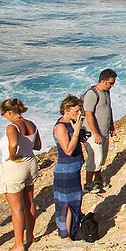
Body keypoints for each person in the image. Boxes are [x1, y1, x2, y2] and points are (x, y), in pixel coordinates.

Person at [0, 98, 41, 251]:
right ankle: (30, 235)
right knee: (29, 201)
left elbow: (13, 143)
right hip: (31, 163)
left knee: (16, 208)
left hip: (16, 167)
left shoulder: (12, 126)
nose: (4, 117)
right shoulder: (31, 124)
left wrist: (13, 155)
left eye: (3, 114)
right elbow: (38, 146)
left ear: (9, 112)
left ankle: (18, 244)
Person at [53, 95, 86, 240]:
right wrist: (77, 131)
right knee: (66, 203)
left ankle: (72, 231)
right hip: (65, 170)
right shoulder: (60, 127)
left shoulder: (71, 123)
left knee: (75, 200)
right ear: (66, 110)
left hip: (74, 169)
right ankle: (65, 235)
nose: (79, 114)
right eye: (76, 111)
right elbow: (67, 150)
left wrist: (80, 135)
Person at [82, 68, 117, 193]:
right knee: (94, 158)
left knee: (101, 158)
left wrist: (111, 125)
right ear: (103, 81)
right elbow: (88, 114)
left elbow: (108, 108)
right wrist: (95, 133)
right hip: (93, 133)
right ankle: (88, 184)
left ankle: (98, 180)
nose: (112, 86)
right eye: (111, 83)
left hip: (104, 131)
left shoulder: (106, 92)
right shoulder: (92, 94)